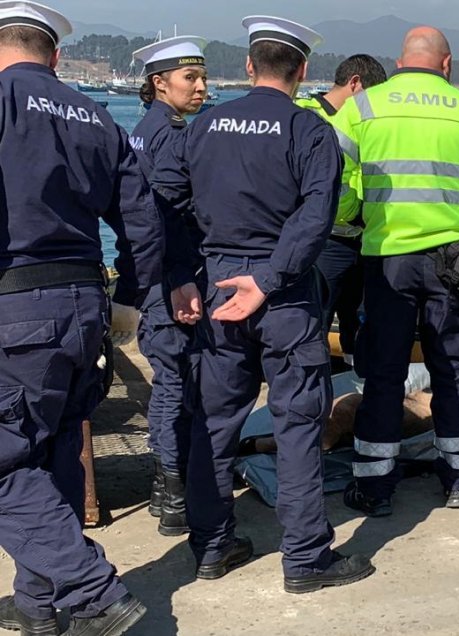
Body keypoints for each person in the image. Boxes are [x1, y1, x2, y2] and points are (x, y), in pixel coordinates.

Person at [150, 15, 374, 592]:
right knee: (298, 425)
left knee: (214, 421)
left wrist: (182, 276)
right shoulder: (309, 132)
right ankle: (305, 558)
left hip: (218, 287)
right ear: (301, 70)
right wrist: (270, 279)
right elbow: (315, 217)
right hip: (285, 295)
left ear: (249, 65)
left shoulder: (199, 127)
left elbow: (166, 204)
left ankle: (212, 545)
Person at [0, 2, 169, 632]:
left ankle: (93, 593)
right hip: (83, 304)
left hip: (15, 305)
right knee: (54, 454)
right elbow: (142, 220)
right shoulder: (96, 116)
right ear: (56, 57)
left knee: (9, 458)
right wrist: (127, 299)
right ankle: (42, 606)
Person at [336, 26, 459, 513]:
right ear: (447, 64)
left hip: (386, 258)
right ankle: (458, 478)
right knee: (454, 367)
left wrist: (357, 218)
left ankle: (374, 488)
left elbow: (337, 184)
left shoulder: (363, 108)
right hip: (452, 262)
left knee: (384, 373)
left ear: (398, 63)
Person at [129, 34, 210, 538]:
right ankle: (174, 490)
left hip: (154, 273)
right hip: (173, 276)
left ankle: (169, 486)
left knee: (171, 379)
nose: (201, 87)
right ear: (160, 84)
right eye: (190, 78)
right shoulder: (170, 135)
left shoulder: (143, 129)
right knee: (176, 381)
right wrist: (180, 277)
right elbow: (165, 215)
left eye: (201, 77)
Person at [295, 54, 387, 368]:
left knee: (359, 322)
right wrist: (352, 213)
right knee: (316, 319)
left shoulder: (363, 124)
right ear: (355, 84)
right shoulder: (307, 117)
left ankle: (355, 382)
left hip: (362, 239)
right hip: (327, 240)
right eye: (371, 98)